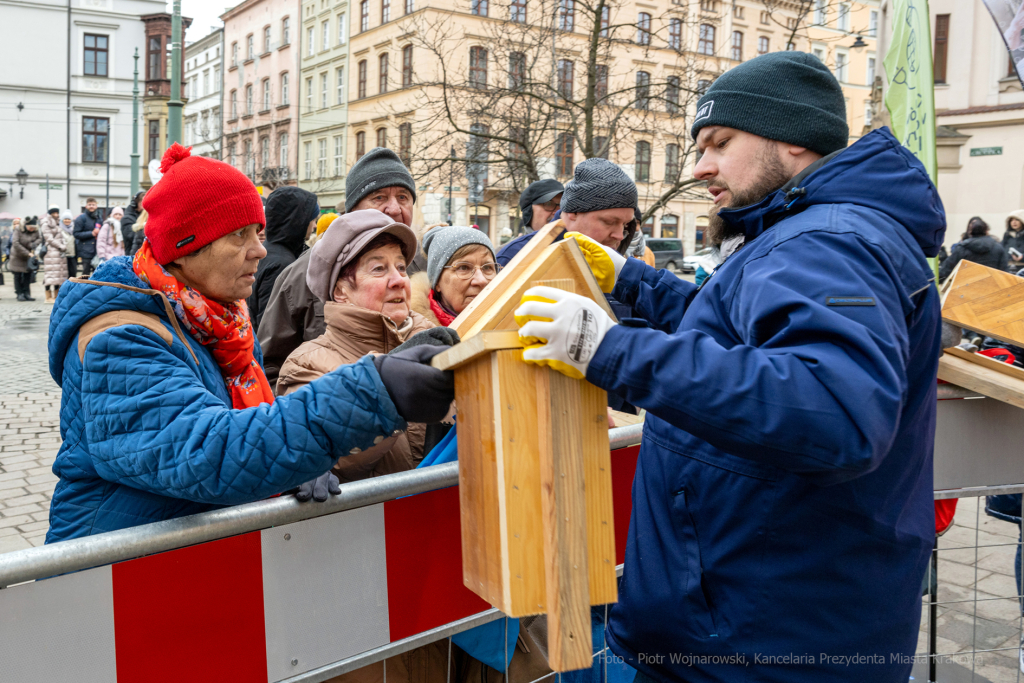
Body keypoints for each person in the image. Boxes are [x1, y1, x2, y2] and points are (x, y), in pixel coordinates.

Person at [514, 52, 945, 682]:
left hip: (762, 640)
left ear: (793, 138)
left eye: (720, 141)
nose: (699, 167)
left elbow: (835, 410)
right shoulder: (809, 231)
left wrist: (611, 350)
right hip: (772, 621)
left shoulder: (825, 240)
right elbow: (752, 334)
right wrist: (636, 282)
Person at [45, 144, 454, 542]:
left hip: (189, 568)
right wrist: (374, 390)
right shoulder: (117, 337)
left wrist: (296, 463)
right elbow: (209, 453)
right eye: (240, 235)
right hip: (108, 579)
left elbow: (255, 425)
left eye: (258, 232)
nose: (259, 250)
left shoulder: (220, 321)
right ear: (185, 246)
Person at [277, 210, 435, 482]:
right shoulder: (306, 365)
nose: (398, 279)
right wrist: (389, 395)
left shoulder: (437, 340)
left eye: (400, 267)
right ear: (341, 291)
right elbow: (326, 460)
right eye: (378, 269)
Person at [258, 147, 417, 388]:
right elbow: (270, 368)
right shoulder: (302, 273)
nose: (394, 209)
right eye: (379, 198)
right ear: (352, 210)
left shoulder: (421, 268)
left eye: (403, 197)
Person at [248, 186, 319, 331]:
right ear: (299, 222)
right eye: (312, 220)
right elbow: (270, 325)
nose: (314, 225)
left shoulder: (269, 251)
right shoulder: (282, 264)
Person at [411, 225, 498, 326]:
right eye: (464, 268)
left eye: (487, 268)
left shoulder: (514, 324)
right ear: (437, 281)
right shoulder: (414, 333)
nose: (481, 280)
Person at [939, 216, 1008, 280]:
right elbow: (1004, 271)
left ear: (970, 232)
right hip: (992, 287)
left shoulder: (962, 248)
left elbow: (946, 269)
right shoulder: (998, 248)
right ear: (987, 231)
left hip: (966, 287)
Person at [40, 205, 69, 303]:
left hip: (59, 253)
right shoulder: (45, 223)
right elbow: (49, 238)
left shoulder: (57, 223)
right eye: (54, 213)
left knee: (58, 276)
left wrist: (64, 245)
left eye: (57, 213)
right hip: (51, 252)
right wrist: (61, 246)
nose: (56, 214)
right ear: (51, 213)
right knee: (50, 275)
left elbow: (61, 237)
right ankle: (48, 297)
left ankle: (56, 296)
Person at [10, 216, 41, 301]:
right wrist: (27, 253)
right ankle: (19, 293)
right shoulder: (18, 229)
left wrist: (33, 244)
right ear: (26, 225)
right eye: (30, 228)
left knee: (28, 275)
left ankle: (27, 293)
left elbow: (40, 238)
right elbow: (15, 243)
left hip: (29, 256)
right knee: (18, 275)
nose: (32, 229)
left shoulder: (35, 229)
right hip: (17, 255)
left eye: (33, 228)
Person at [73, 197, 102, 278]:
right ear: (86, 206)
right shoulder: (81, 218)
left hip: (97, 251)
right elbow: (76, 234)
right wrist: (91, 233)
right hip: (85, 252)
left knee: (98, 274)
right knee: (86, 274)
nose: (91, 206)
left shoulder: (99, 218)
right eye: (89, 205)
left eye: (93, 204)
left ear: (96, 206)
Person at [59, 211, 77, 279]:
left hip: (72, 255)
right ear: (62, 220)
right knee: (63, 274)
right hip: (63, 255)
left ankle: (72, 288)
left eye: (69, 219)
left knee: (73, 273)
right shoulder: (59, 229)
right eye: (65, 219)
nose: (67, 220)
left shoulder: (74, 228)